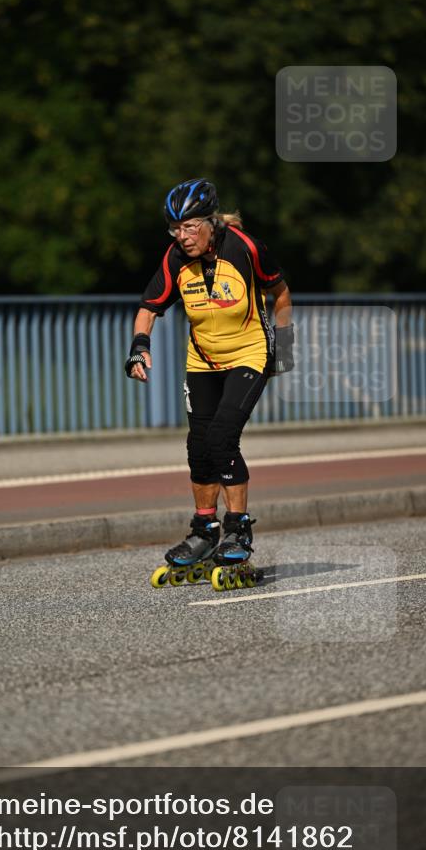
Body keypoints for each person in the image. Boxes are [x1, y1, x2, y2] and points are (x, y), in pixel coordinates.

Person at [125, 178, 294, 572]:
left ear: (211, 222)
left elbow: (280, 293)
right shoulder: (174, 259)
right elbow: (149, 307)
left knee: (222, 436)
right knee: (198, 448)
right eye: (175, 228)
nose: (182, 237)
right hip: (202, 359)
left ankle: (238, 529)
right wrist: (139, 346)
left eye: (189, 227)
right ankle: (205, 530)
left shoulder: (245, 247)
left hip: (250, 353)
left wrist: (283, 347)